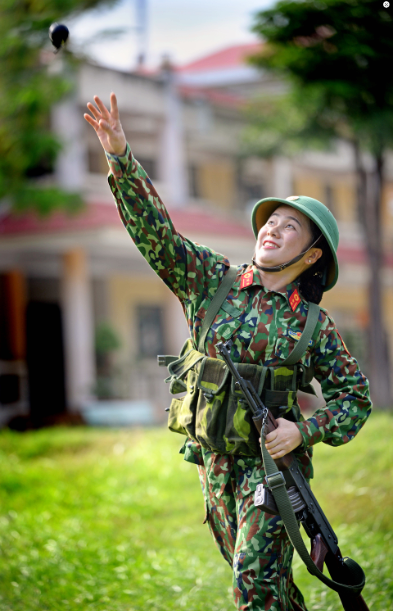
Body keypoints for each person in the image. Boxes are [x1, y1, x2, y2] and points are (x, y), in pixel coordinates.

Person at [84, 93, 372, 611]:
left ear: (310, 255)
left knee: (254, 583)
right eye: (270, 221)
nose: (272, 229)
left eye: (289, 227)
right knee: (270, 589)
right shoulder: (211, 281)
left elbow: (356, 398)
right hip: (212, 462)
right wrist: (120, 158)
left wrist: (302, 430)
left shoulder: (313, 325)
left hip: (271, 471)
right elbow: (157, 236)